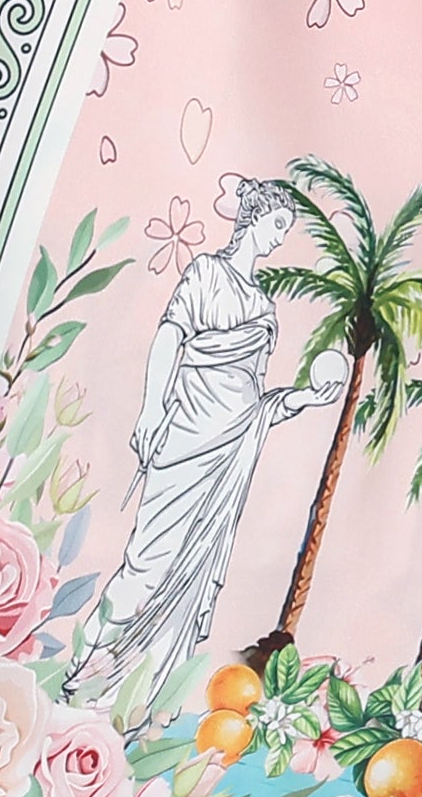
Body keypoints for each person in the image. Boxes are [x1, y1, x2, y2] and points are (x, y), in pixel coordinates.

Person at [63, 178, 334, 720]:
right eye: (278, 224)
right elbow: (170, 337)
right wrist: (151, 409)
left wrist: (305, 397)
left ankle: (135, 707)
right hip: (186, 435)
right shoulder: (207, 273)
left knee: (186, 580)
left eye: (286, 229)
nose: (281, 237)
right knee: (147, 562)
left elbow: (256, 398)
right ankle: (80, 673)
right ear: (253, 218)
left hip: (231, 449)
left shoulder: (264, 307)